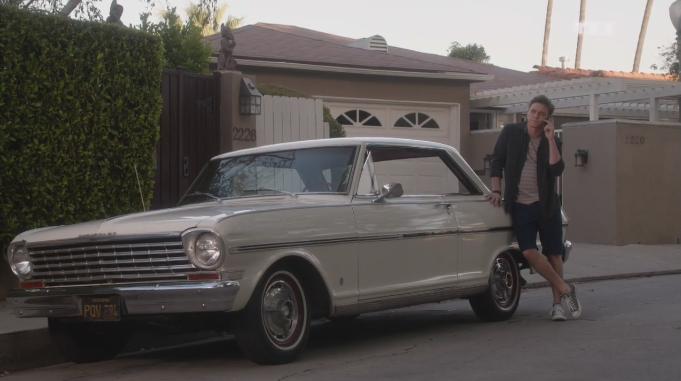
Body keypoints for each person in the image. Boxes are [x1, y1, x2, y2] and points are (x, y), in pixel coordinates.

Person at [487, 95, 582, 321]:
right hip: (520, 204)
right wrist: (496, 191)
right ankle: (565, 288)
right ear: (526, 113)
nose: (536, 117)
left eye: (542, 115)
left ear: (548, 120)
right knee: (528, 251)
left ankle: (557, 305)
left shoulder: (552, 140)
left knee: (554, 254)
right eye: (533, 112)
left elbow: (557, 169)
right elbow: (497, 161)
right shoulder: (510, 133)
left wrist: (550, 139)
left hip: (547, 205)